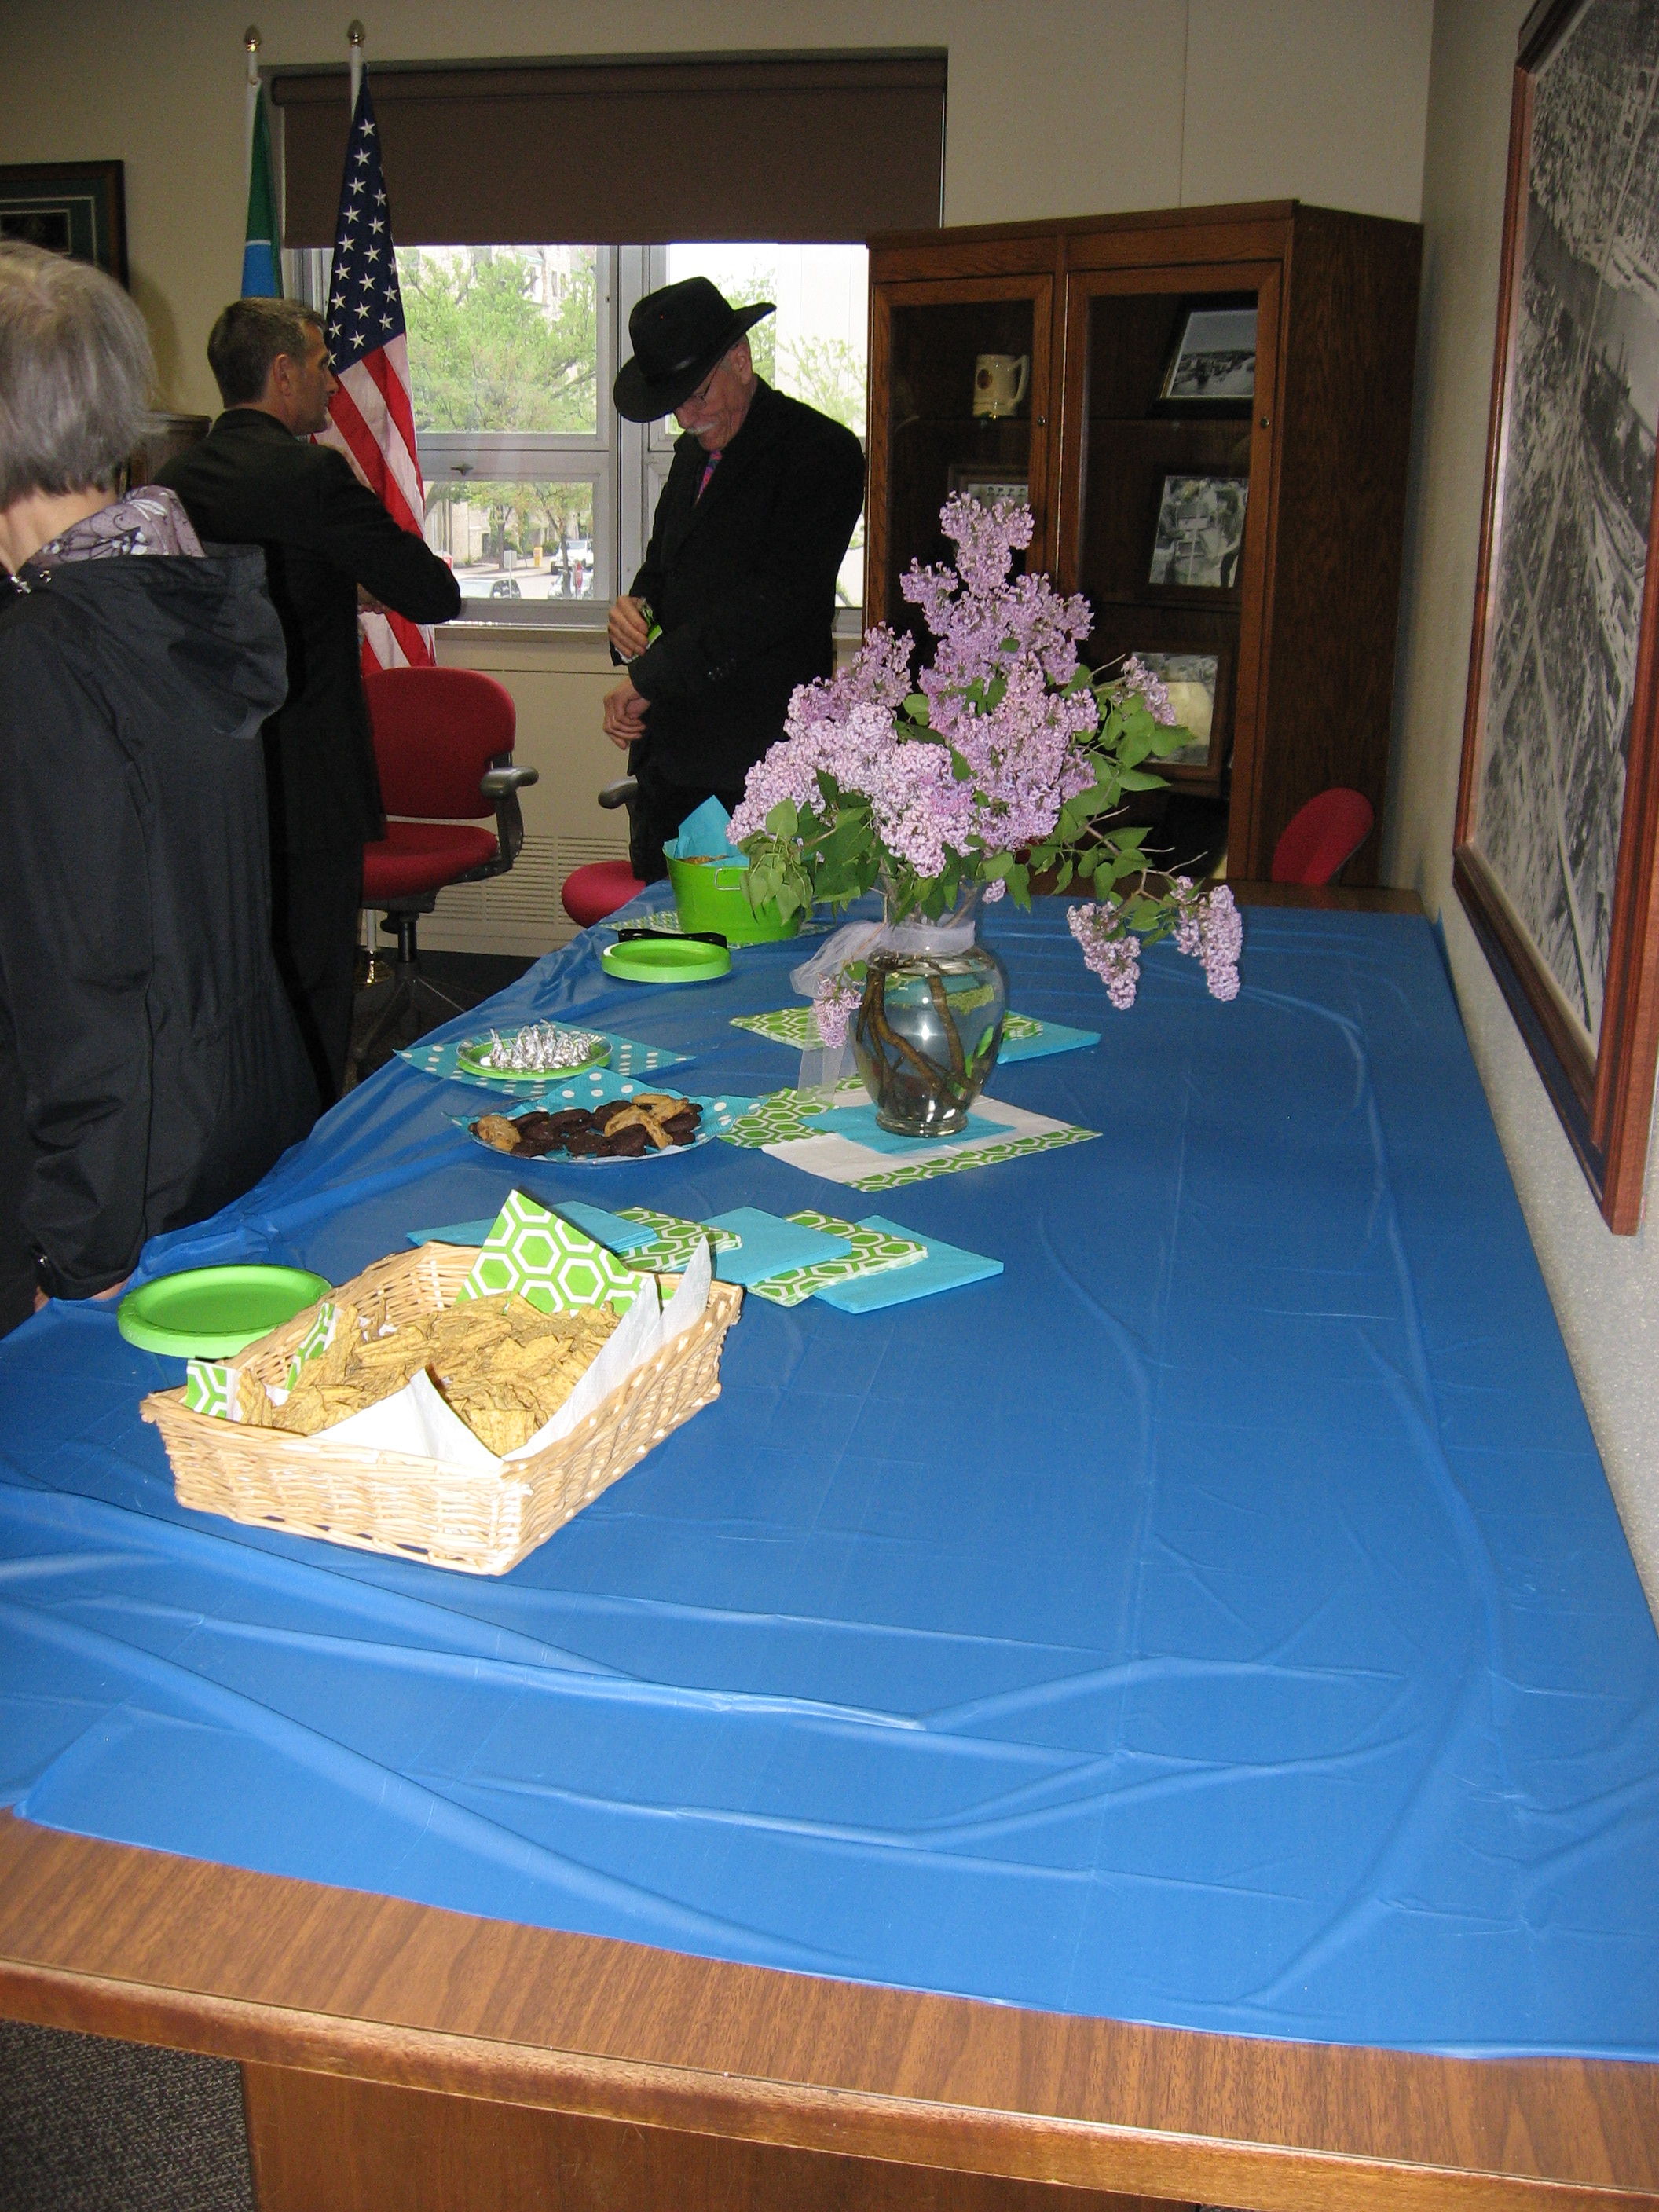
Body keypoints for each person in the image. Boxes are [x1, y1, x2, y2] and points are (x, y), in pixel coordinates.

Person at [0, 243, 317, 1335]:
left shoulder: (46, 653)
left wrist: (74, 1247)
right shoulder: (172, 593)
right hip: (236, 1114)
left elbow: (82, 976)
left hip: (117, 1188)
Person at [159, 299, 461, 1105]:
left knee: (231, 982)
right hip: (310, 784)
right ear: (282, 372)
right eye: (324, 366)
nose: (333, 383)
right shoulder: (311, 476)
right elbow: (431, 594)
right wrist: (348, 579)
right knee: (316, 986)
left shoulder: (171, 483)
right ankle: (314, 1143)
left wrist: (330, 582)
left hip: (206, 782)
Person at [605, 276, 866, 881]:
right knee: (663, 935)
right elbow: (662, 571)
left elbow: (773, 603)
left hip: (759, 768)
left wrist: (650, 676)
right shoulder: (692, 452)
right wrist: (633, 615)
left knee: (755, 932)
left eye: (696, 396)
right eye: (673, 404)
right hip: (670, 765)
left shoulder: (819, 450)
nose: (686, 418)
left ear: (740, 361)